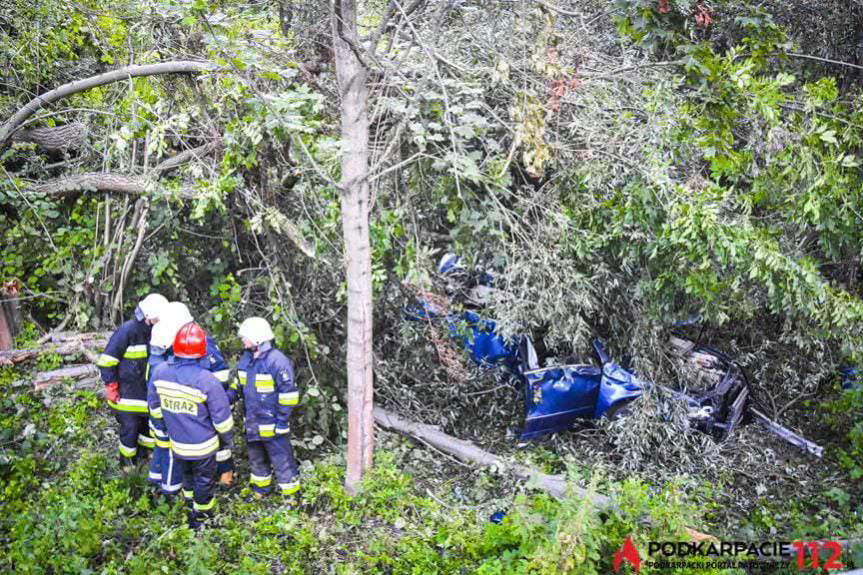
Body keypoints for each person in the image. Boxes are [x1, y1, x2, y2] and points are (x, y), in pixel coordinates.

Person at [148, 322, 234, 528]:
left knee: (187, 479)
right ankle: (201, 521)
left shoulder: (159, 373)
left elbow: (155, 408)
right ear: (202, 353)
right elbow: (222, 421)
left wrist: (166, 427)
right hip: (203, 448)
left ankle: (188, 509)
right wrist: (227, 441)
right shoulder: (207, 380)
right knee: (203, 483)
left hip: (177, 444)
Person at [230, 317, 300, 498]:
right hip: (253, 424)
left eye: (246, 337)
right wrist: (224, 399)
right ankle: (260, 491)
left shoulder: (277, 361)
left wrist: (283, 421)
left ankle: (292, 496)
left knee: (282, 461)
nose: (243, 340)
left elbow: (289, 395)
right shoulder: (246, 360)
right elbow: (238, 385)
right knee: (256, 459)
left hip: (273, 425)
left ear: (258, 338)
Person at [96, 293, 168, 467]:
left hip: (146, 394)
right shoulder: (127, 331)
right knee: (130, 429)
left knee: (147, 428)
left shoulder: (157, 332)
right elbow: (107, 361)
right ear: (148, 316)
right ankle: (127, 464)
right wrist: (111, 385)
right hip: (126, 395)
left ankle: (145, 456)